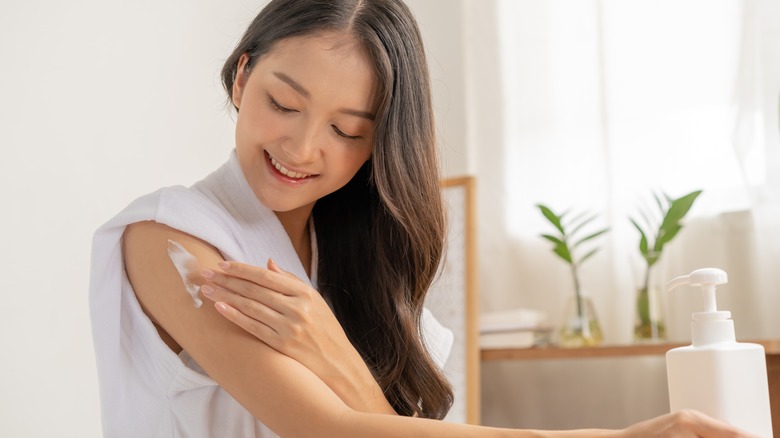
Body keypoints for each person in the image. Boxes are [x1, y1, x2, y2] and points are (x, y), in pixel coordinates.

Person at [89, 0, 753, 436]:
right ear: (241, 78)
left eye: (347, 130)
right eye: (283, 104)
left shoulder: (366, 266)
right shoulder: (169, 237)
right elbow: (324, 428)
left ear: (380, 142)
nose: (302, 148)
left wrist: (337, 354)